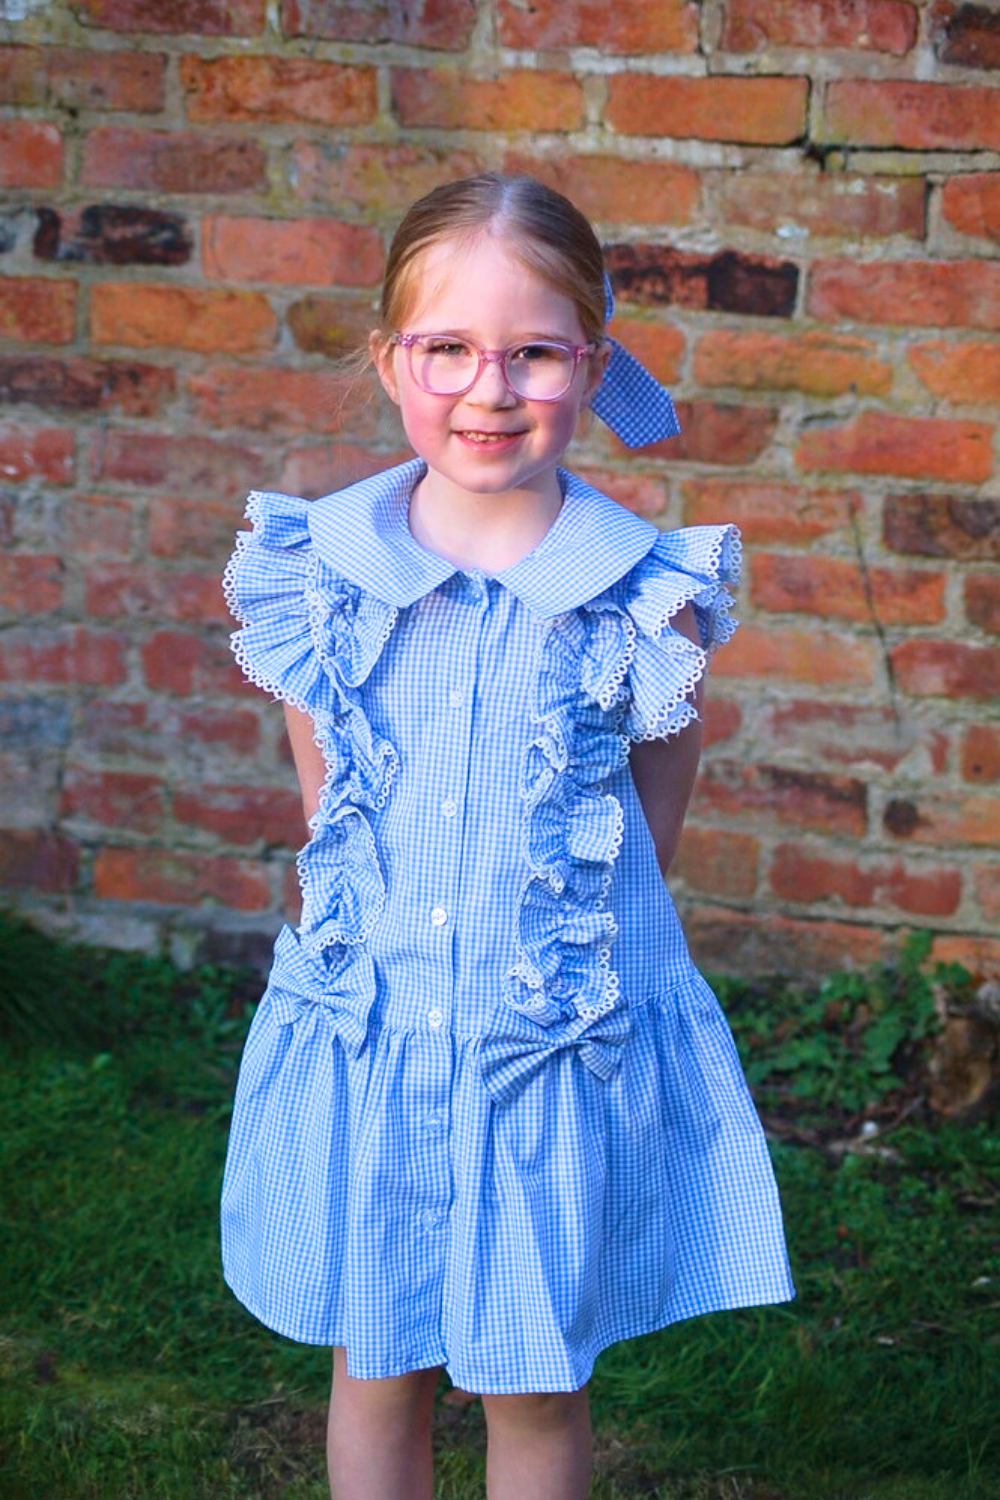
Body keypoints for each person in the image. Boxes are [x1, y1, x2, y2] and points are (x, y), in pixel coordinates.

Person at [220, 172, 794, 1500]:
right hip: (383, 1037)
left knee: (534, 1382)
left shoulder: (640, 594)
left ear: (590, 366)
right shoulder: (327, 572)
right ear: (390, 363)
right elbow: (327, 783)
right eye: (450, 350)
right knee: (377, 1363)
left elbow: (660, 775)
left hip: (542, 1052)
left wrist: (588, 931)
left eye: (533, 352)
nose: (491, 389)